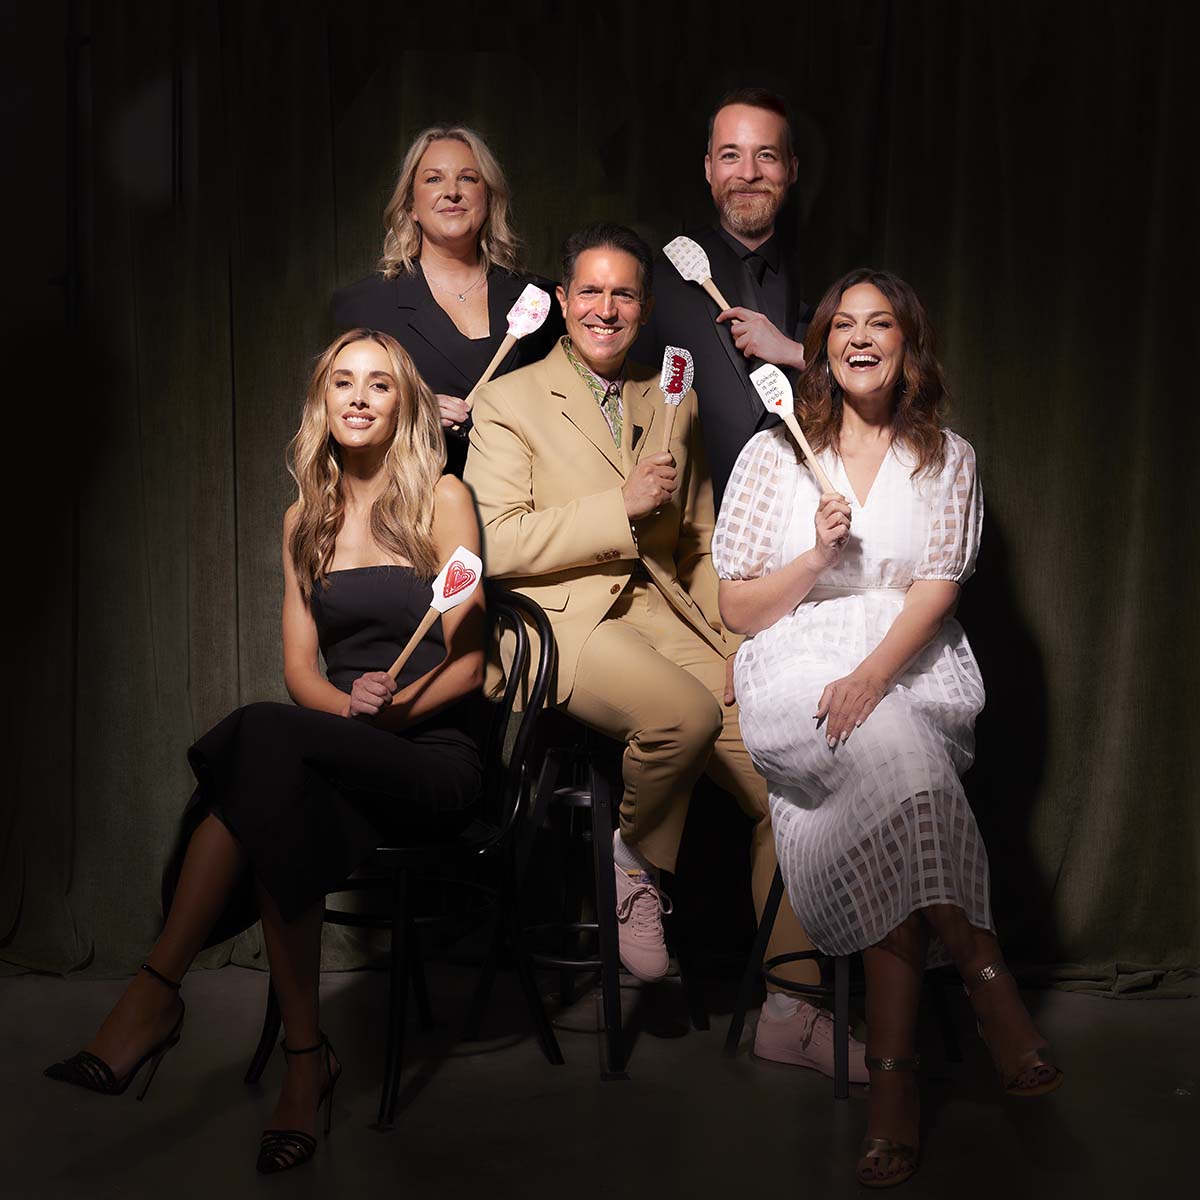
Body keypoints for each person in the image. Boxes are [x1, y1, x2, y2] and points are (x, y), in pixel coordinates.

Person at [45, 329, 485, 1176]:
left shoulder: (444, 498)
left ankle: (156, 992)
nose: (359, 398)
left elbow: (472, 666)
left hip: (430, 754)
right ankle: (305, 1064)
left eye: (380, 384)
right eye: (343, 382)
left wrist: (390, 713)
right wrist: (348, 711)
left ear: (405, 404)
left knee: (259, 743)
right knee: (278, 794)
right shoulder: (302, 521)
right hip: (336, 748)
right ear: (322, 402)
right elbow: (301, 673)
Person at [464, 222, 863, 1080]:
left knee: (790, 784)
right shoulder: (509, 401)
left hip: (670, 616)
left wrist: (735, 641)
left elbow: (698, 540)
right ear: (563, 301)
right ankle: (634, 864)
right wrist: (618, 505)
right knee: (680, 716)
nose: (606, 309)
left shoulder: (670, 394)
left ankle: (792, 1010)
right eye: (590, 292)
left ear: (645, 308)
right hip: (564, 619)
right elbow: (494, 543)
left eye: (624, 294)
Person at [713, 268, 1063, 1188]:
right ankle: (987, 979)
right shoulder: (774, 454)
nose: (860, 338)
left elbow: (938, 586)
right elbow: (738, 608)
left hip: (909, 666)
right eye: (843, 326)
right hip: (794, 666)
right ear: (822, 348)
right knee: (902, 774)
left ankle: (893, 1084)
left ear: (908, 347)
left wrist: (872, 677)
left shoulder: (949, 458)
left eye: (880, 325)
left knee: (892, 777)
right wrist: (817, 554)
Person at [333, 125, 564, 477]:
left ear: (489, 199)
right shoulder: (365, 307)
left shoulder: (543, 300)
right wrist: (411, 414)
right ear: (411, 205)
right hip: (421, 501)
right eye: (434, 179)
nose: (452, 192)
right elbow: (339, 423)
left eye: (468, 178)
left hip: (528, 500)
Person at [635, 87, 811, 510]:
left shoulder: (834, 286)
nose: (748, 173)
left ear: (791, 169)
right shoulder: (658, 283)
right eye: (731, 155)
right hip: (691, 524)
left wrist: (795, 352)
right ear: (709, 168)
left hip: (805, 520)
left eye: (766, 155)